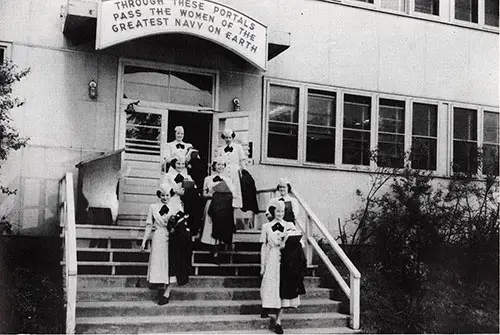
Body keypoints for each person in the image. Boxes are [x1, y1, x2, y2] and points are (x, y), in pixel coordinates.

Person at [260, 201, 304, 334]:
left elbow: (299, 242)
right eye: (278, 211)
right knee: (269, 285)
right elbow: (264, 247)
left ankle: (278, 322)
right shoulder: (266, 226)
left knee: (283, 289)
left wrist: (288, 243)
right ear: (273, 211)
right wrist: (262, 265)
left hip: (286, 260)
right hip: (272, 258)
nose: (280, 214)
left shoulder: (289, 225)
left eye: (282, 212)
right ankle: (266, 306)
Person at [140, 183, 183, 305]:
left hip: (172, 238)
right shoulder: (153, 207)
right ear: (159, 195)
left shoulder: (176, 206)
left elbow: (182, 223)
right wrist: (144, 241)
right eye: (163, 195)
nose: (165, 197)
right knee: (159, 263)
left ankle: (167, 292)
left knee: (172, 264)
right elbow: (149, 225)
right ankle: (161, 284)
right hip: (158, 236)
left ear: (171, 195)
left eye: (167, 195)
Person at [200, 157, 236, 261]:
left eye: (222, 165)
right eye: (218, 164)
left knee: (223, 223)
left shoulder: (228, 179)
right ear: (214, 165)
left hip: (224, 206)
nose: (220, 167)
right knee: (210, 224)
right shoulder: (208, 179)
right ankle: (212, 247)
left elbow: (232, 193)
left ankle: (221, 246)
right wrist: (212, 194)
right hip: (211, 203)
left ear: (224, 167)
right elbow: (204, 194)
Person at [215, 128, 247, 209]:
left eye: (230, 137)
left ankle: (235, 209)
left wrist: (244, 172)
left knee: (235, 191)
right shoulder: (221, 149)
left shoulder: (238, 147)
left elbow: (242, 160)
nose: (228, 139)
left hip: (235, 172)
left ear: (232, 138)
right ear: (224, 138)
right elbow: (218, 162)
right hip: (224, 172)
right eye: (226, 138)